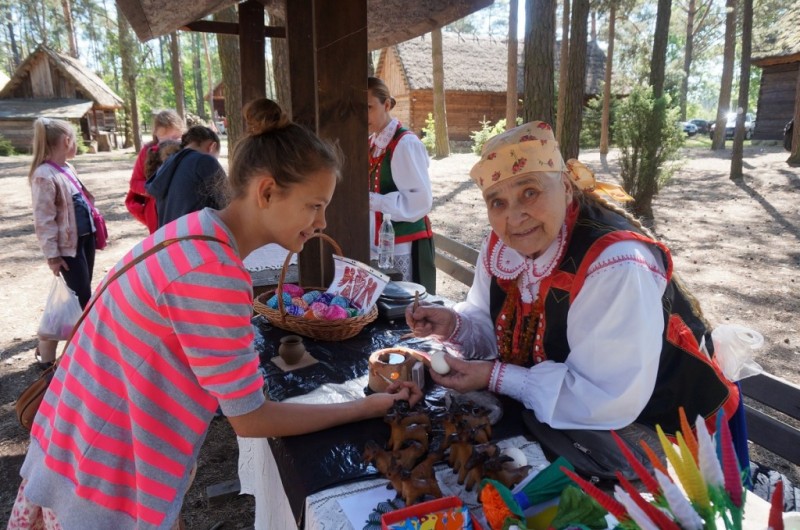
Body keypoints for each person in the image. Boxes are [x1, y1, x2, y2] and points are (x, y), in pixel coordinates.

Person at [8, 99, 422, 530]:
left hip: (75, 448)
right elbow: (251, 417)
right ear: (266, 192)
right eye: (314, 205)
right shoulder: (212, 272)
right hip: (101, 479)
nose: (322, 221)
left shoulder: (195, 232)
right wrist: (364, 407)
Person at [406, 121, 739, 438]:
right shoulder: (502, 247)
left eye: (530, 192)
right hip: (573, 424)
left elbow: (605, 396)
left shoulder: (615, 264)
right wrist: (455, 326)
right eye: (498, 202)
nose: (515, 216)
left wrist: (495, 377)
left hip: (668, 433)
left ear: (565, 187)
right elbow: (497, 330)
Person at [29, 118, 99, 368]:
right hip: (67, 249)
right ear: (67, 141)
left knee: (82, 295)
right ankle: (49, 352)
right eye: (75, 139)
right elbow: (44, 219)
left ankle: (73, 349)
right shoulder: (43, 175)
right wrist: (52, 255)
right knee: (80, 298)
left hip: (83, 241)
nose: (76, 144)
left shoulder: (67, 168)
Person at [368, 76, 436, 293]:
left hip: (405, 245)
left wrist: (372, 201)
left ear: (386, 105)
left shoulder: (405, 144)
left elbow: (421, 201)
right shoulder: (374, 142)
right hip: (381, 243)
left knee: (407, 304)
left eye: (368, 107)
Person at [145, 125, 226, 229]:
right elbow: (228, 203)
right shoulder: (204, 161)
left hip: (169, 240)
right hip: (197, 240)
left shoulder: (166, 166)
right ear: (212, 147)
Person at [125, 110, 184, 233]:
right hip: (157, 214)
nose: (170, 143)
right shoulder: (147, 151)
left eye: (175, 138)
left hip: (183, 211)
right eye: (165, 139)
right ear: (156, 134)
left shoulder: (188, 151)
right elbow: (135, 183)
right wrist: (155, 189)